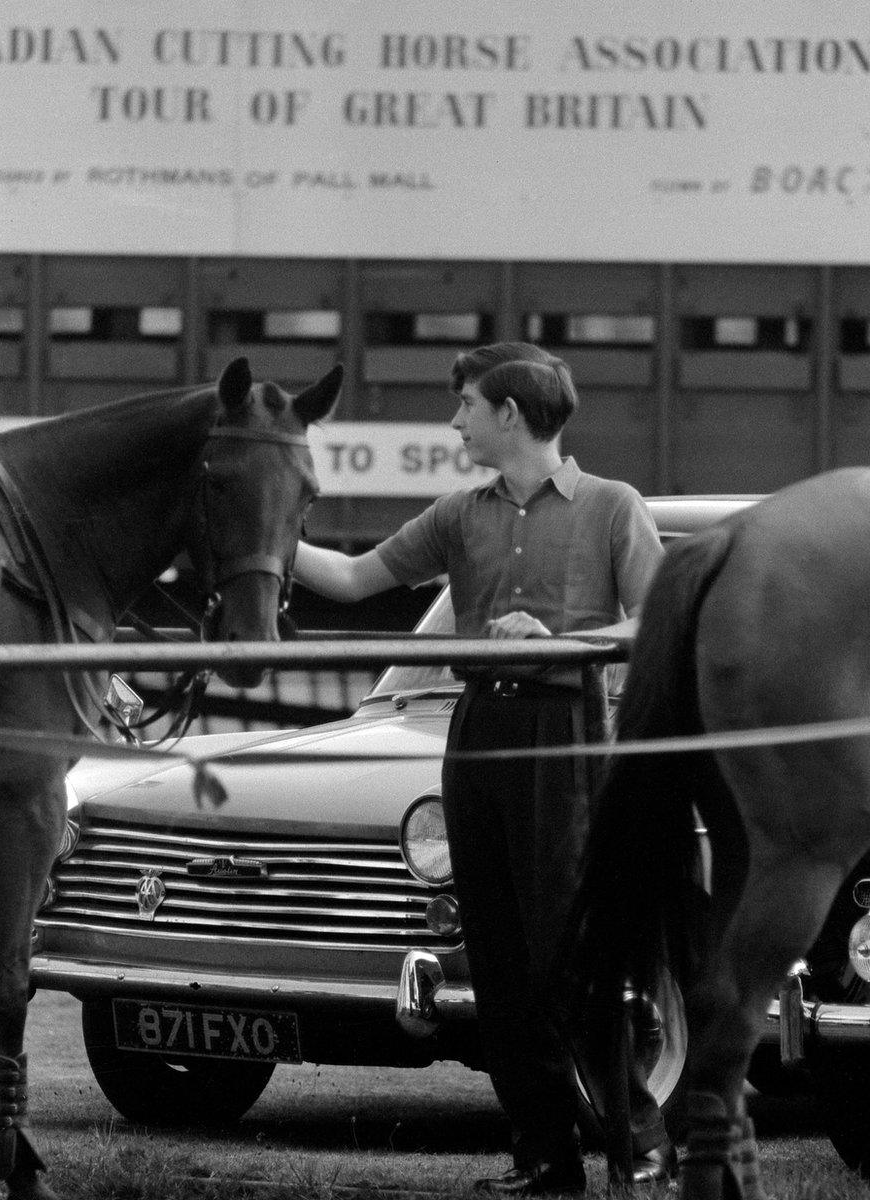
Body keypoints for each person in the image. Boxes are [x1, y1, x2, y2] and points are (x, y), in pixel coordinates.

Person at [293, 341, 672, 1197]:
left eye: (465, 403)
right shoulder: (460, 515)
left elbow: (654, 623)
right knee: (496, 959)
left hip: (564, 730)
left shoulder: (614, 506)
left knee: (568, 956)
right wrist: (277, 535)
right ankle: (544, 1158)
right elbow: (353, 579)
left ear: (509, 413)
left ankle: (640, 1145)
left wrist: (564, 642)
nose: (454, 421)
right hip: (479, 732)